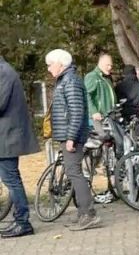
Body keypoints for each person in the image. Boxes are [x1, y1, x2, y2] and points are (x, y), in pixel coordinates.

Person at [46, 49, 100, 231]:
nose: (48, 68)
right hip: (68, 134)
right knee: (73, 172)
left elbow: (77, 112)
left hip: (73, 136)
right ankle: (83, 213)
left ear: (61, 64)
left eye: (50, 64)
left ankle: (88, 214)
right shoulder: (65, 80)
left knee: (74, 172)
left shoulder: (70, 81)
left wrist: (71, 138)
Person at [0, 56, 40, 238]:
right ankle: (19, 219)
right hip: (6, 136)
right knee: (11, 179)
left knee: (12, 180)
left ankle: (23, 221)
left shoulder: (4, 72)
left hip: (7, 137)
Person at [84, 53, 116, 138]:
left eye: (111, 65)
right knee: (104, 139)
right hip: (98, 118)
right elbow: (86, 95)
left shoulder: (107, 78)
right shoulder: (92, 77)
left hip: (109, 117)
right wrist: (94, 111)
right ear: (100, 63)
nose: (110, 68)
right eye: (107, 65)